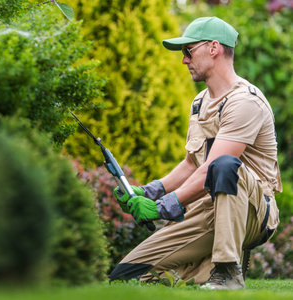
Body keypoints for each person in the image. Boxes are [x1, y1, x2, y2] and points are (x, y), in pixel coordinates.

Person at [109, 17, 281, 290]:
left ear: (214, 48)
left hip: (252, 210)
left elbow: (212, 167)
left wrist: (162, 207)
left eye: (188, 51)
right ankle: (200, 272)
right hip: (207, 206)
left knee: (226, 165)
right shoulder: (201, 102)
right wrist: (149, 191)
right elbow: (193, 163)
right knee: (125, 276)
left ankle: (228, 272)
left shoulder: (245, 102)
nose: (184, 60)